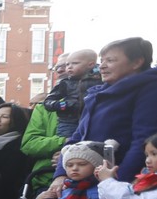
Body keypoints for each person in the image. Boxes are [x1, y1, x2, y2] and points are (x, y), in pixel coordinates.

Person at [51, 38, 157, 185]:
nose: (102, 66)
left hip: (118, 183)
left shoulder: (149, 89)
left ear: (137, 62)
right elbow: (78, 136)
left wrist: (115, 184)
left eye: (110, 60)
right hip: (86, 181)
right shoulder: (97, 95)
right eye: (102, 60)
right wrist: (60, 175)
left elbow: (143, 141)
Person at [22, 49, 100, 196]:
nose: (63, 69)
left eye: (70, 64)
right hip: (46, 178)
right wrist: (65, 142)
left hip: (90, 179)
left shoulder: (96, 97)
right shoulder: (43, 107)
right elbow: (29, 144)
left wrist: (76, 155)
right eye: (59, 67)